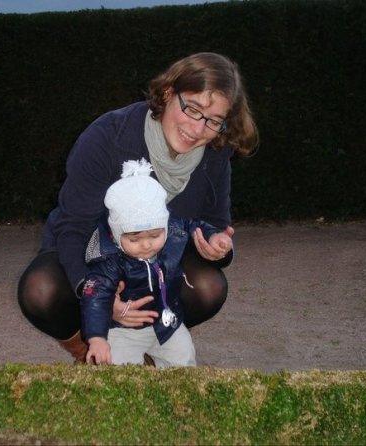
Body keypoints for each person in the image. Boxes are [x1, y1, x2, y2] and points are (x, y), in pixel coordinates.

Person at [18, 52, 258, 362]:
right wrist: (96, 295)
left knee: (208, 287)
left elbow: (214, 223)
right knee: (40, 290)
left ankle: (150, 342)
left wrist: (216, 247)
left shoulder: (215, 153)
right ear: (168, 93)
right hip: (92, 254)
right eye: (192, 108)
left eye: (213, 121)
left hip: (158, 267)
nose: (198, 129)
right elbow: (74, 227)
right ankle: (88, 352)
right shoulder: (108, 136)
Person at [82, 159, 233, 367]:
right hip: (123, 329)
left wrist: (213, 236)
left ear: (165, 226)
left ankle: (177, 383)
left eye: (155, 235)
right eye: (134, 239)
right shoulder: (109, 260)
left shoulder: (173, 231)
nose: (146, 244)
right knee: (119, 369)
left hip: (168, 322)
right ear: (116, 235)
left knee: (183, 361)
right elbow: (95, 297)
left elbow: (193, 226)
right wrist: (96, 338)